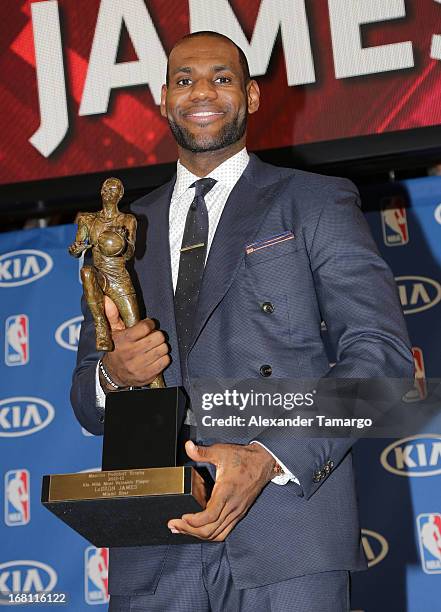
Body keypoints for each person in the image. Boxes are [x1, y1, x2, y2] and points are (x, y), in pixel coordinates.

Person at [71, 31, 414, 612]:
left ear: (251, 97)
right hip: (157, 545)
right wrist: (113, 374)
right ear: (162, 98)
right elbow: (84, 397)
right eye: (184, 80)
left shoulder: (312, 200)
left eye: (221, 78)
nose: (201, 91)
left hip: (287, 538)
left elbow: (382, 357)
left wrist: (266, 455)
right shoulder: (123, 230)